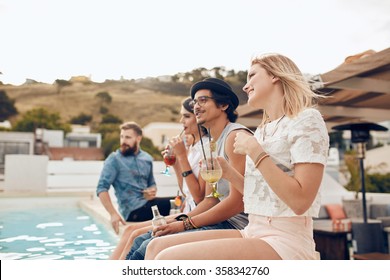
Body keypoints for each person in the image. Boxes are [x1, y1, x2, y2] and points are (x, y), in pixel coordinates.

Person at [145, 53, 329, 260]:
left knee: (166, 259)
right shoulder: (264, 130)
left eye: (252, 76)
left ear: (275, 75)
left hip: (285, 239)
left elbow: (300, 201)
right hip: (253, 230)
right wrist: (229, 173)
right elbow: (257, 194)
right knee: (156, 247)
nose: (245, 86)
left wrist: (255, 151)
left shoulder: (307, 119)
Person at [125, 78, 253, 260]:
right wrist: (178, 220)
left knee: (148, 246)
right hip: (218, 218)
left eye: (203, 100)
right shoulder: (212, 145)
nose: (196, 107)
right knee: (141, 240)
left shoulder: (234, 136)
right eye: (195, 102)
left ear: (223, 104)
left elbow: (237, 202)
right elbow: (211, 200)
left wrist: (185, 224)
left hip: (236, 224)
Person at [109, 97, 208, 259]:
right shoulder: (192, 148)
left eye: (187, 116)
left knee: (135, 235)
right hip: (187, 210)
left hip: (194, 215)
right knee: (129, 230)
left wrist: (181, 156)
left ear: (199, 117)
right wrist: (176, 163)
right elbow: (186, 192)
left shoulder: (204, 149)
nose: (181, 120)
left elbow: (198, 197)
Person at [96, 121, 172, 234]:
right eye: (122, 137)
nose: (123, 141)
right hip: (133, 211)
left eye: (128, 137)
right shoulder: (114, 159)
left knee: (178, 202)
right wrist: (113, 214)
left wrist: (151, 191)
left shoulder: (147, 158)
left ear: (138, 138)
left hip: (149, 205)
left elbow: (152, 183)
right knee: (177, 203)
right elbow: (101, 188)